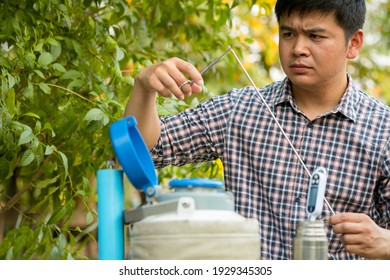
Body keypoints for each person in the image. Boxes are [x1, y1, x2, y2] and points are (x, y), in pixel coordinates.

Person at [124, 0, 390, 260]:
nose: (298, 48)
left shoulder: (383, 130)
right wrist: (145, 88)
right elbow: (146, 150)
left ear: (353, 43)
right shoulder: (239, 109)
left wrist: (385, 242)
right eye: (288, 33)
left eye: (315, 36)